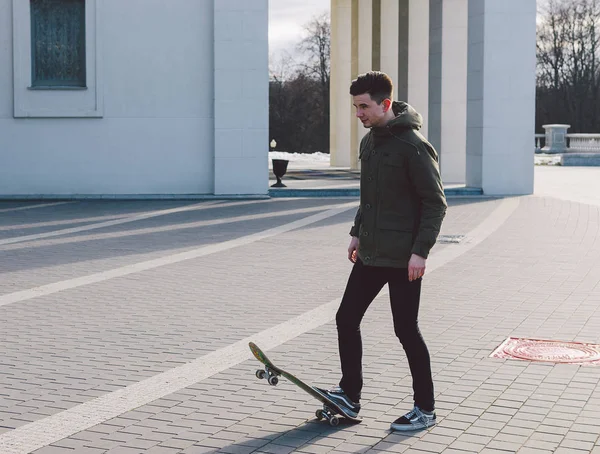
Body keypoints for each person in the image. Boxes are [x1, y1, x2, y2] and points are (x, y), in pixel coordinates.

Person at [322, 71, 447, 431]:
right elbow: (370, 197)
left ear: (385, 104)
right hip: (372, 253)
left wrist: (421, 252)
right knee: (346, 318)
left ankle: (425, 409)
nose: (358, 113)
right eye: (355, 106)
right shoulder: (371, 143)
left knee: (406, 330)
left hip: (404, 259)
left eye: (364, 106)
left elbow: (435, 204)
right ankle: (350, 393)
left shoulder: (413, 146)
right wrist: (357, 233)